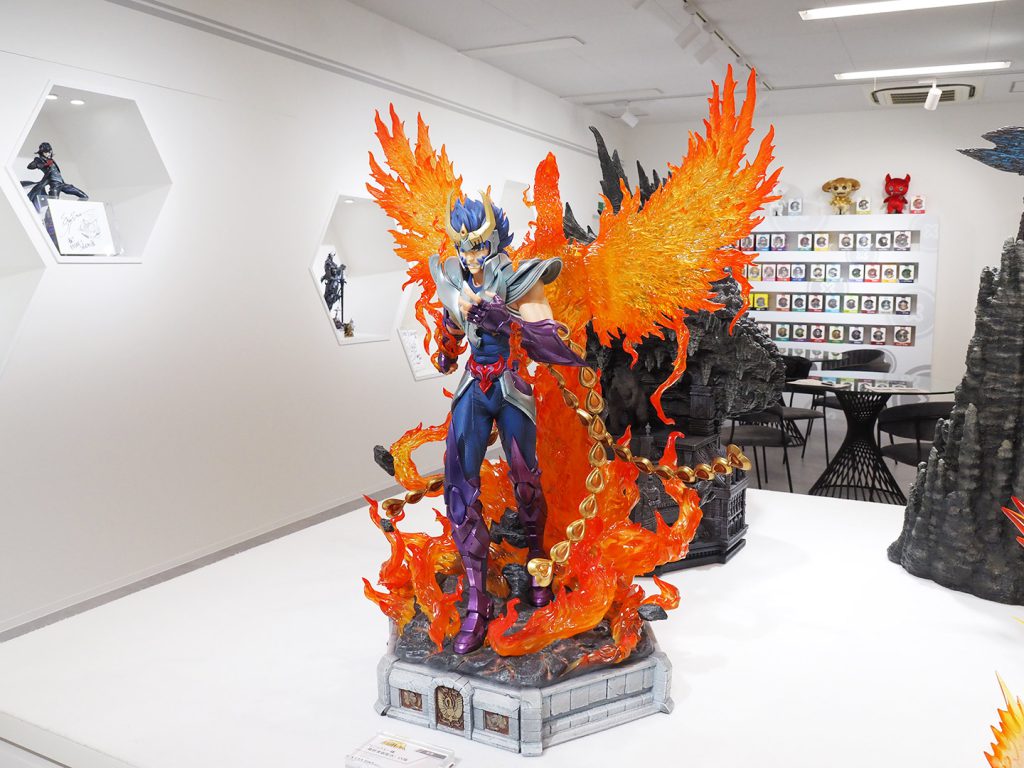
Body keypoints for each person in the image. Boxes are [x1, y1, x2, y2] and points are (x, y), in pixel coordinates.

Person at [429, 192, 585, 654]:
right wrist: (447, 344)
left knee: (525, 479)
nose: (470, 255)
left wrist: (510, 319)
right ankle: (477, 601)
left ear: (494, 240)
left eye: (477, 245)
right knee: (459, 487)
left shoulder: (519, 277)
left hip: (511, 384)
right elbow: (451, 334)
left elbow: (554, 345)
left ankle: (538, 562)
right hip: (473, 387)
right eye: (462, 246)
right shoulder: (453, 278)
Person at [25, 142, 88, 212]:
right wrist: (43, 165)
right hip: (54, 185)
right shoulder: (40, 160)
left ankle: (74, 211)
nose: (48, 154)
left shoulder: (51, 160)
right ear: (42, 152)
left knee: (84, 197)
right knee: (53, 206)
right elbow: (30, 166)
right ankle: (48, 218)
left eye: (49, 152)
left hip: (62, 184)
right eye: (46, 152)